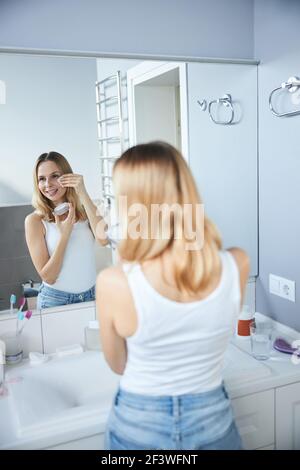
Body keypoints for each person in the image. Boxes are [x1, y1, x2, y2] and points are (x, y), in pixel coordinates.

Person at [96, 141, 250, 450]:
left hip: (139, 424)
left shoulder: (115, 282)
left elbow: (118, 364)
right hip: (213, 421)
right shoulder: (237, 263)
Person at [25, 151, 108, 309]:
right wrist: (64, 236)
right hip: (55, 300)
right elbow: (48, 277)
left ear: (68, 177)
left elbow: (103, 239)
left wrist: (82, 191)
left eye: (55, 176)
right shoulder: (35, 221)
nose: (48, 184)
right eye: (41, 179)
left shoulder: (84, 211)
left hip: (92, 295)